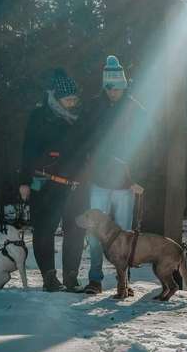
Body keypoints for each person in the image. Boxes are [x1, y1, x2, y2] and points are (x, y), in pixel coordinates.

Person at [84, 55, 150, 294]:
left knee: (123, 235)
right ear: (105, 86)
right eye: (110, 88)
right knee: (94, 232)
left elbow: (146, 143)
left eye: (119, 88)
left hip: (125, 185)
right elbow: (84, 141)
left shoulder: (135, 108)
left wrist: (139, 178)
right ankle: (95, 280)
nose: (114, 93)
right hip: (100, 182)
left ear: (124, 85)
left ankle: (124, 283)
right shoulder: (94, 107)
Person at [19, 68, 89, 291]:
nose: (72, 102)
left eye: (74, 98)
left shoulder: (79, 118)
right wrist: (24, 181)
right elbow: (28, 149)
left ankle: (71, 277)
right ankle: (49, 277)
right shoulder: (39, 116)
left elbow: (86, 149)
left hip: (75, 185)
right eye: (68, 99)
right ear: (56, 98)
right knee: (44, 229)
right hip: (45, 183)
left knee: (76, 230)